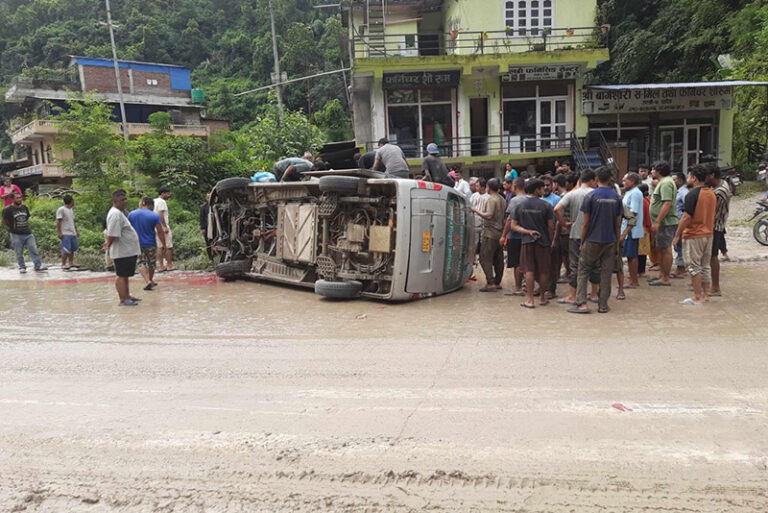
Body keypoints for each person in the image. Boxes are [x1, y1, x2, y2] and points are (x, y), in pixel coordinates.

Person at [569, 167, 623, 314]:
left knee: (584, 269)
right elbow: (618, 224)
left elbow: (585, 223)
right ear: (610, 178)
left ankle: (582, 303)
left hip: (592, 239)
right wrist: (617, 243)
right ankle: (603, 305)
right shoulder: (617, 198)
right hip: (610, 240)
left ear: (597, 179)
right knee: (606, 273)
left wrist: (582, 241)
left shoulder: (591, 197)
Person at [673, 165, 716, 305]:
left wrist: (677, 235)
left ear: (694, 178)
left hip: (694, 234)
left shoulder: (692, 194)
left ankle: (697, 296)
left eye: (690, 176)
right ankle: (705, 294)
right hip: (708, 233)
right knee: (705, 265)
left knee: (693, 266)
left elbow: (686, 217)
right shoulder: (711, 193)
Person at [554, 169, 599, 305]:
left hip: (575, 234)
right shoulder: (596, 194)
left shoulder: (571, 194)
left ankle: (573, 296)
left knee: (575, 266)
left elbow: (556, 209)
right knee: (595, 265)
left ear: (580, 180)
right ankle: (594, 294)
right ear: (592, 180)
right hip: (594, 236)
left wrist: (563, 223)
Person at [510, 179, 554, 308]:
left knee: (529, 270)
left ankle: (530, 300)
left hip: (527, 242)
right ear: (536, 190)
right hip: (543, 242)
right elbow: (551, 226)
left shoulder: (519, 205)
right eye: (541, 188)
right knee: (543, 270)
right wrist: (551, 241)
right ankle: (542, 298)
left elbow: (513, 225)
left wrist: (527, 232)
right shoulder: (546, 206)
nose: (543, 190)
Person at [104, 190, 141, 306]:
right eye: (122, 200)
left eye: (125, 199)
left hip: (127, 251)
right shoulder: (115, 214)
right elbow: (113, 233)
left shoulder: (119, 213)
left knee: (125, 275)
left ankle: (127, 295)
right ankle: (123, 299)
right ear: (115, 201)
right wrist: (108, 244)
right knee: (121, 275)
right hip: (122, 251)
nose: (125, 202)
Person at [471, 178, 506, 292]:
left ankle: (490, 282)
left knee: (484, 257)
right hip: (499, 233)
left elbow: (489, 215)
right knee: (498, 259)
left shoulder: (492, 199)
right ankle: (497, 281)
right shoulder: (502, 199)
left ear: (488, 188)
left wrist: (475, 210)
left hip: (490, 233)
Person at [648, 161, 678, 287]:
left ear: (659, 171)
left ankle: (665, 277)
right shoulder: (664, 182)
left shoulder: (666, 183)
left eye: (653, 169)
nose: (651, 172)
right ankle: (662, 275)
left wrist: (658, 221)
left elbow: (667, 203)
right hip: (662, 223)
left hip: (665, 223)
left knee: (665, 249)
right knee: (660, 248)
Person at [2, 191, 47, 273]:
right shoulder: (8, 209)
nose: (20, 199)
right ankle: (22, 267)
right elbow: (4, 221)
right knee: (19, 252)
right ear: (12, 199)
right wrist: (12, 227)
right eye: (17, 198)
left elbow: (27, 218)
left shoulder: (24, 207)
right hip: (16, 234)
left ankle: (38, 265)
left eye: (20, 197)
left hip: (28, 233)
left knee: (33, 249)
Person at [128, 197, 166, 291]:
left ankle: (147, 281)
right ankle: (150, 279)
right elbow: (160, 231)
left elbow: (128, 229)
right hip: (150, 243)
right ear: (150, 205)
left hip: (136, 243)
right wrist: (164, 244)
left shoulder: (132, 214)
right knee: (151, 263)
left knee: (140, 262)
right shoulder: (154, 215)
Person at [707, 165, 732, 297]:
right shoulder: (722, 184)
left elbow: (712, 212)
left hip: (715, 226)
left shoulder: (719, 191)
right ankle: (706, 282)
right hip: (717, 224)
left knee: (712, 256)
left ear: (711, 175)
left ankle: (715, 287)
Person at [500, 177, 527, 295]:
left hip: (515, 236)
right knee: (528, 261)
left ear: (515, 187)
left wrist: (503, 235)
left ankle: (518, 288)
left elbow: (509, 220)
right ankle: (528, 285)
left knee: (517, 263)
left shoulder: (515, 201)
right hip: (528, 235)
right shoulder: (531, 199)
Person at [621, 173, 644, 288]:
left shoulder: (635, 193)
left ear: (633, 181)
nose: (623, 182)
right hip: (627, 228)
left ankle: (634, 281)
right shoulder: (629, 192)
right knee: (630, 256)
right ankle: (631, 279)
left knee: (632, 255)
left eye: (625, 180)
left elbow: (633, 213)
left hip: (631, 230)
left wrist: (625, 232)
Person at [672, 171, 690, 278]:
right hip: (676, 221)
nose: (673, 182)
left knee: (680, 244)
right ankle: (680, 267)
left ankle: (681, 268)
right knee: (677, 244)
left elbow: (688, 206)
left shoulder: (684, 192)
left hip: (681, 222)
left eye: (674, 179)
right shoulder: (677, 191)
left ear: (680, 180)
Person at [56, 195, 79, 270]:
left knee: (72, 249)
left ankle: (71, 262)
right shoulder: (61, 209)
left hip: (72, 233)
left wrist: (76, 230)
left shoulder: (71, 210)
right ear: (71, 201)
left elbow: (73, 221)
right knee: (66, 249)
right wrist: (59, 232)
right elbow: (58, 221)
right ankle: (63, 264)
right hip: (65, 233)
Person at [154, 187, 175, 272]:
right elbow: (160, 214)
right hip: (162, 227)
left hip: (155, 226)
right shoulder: (162, 202)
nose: (168, 195)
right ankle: (169, 265)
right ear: (163, 194)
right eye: (167, 193)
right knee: (168, 246)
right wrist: (165, 226)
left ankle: (161, 266)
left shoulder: (154, 201)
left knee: (159, 246)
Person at [199, 192, 214, 266]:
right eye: (208, 197)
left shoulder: (215, 206)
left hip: (216, 227)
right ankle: (211, 259)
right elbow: (201, 218)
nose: (209, 199)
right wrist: (203, 228)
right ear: (206, 198)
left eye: (211, 197)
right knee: (208, 243)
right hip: (207, 227)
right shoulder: (203, 207)